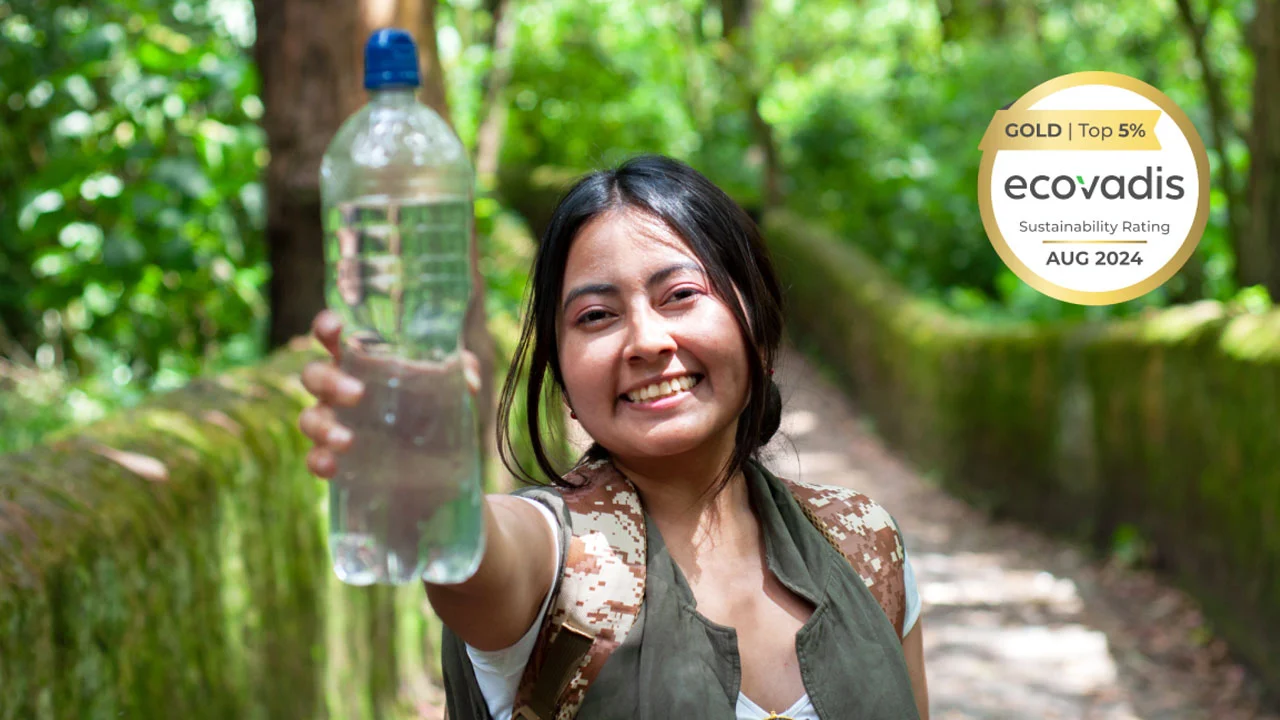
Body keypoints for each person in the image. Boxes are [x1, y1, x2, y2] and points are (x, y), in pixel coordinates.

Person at [299, 154, 930, 719]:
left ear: (758, 332)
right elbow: (479, 554)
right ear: (566, 381)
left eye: (680, 294)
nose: (647, 341)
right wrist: (436, 492)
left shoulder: (863, 544)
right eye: (596, 316)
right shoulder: (557, 562)